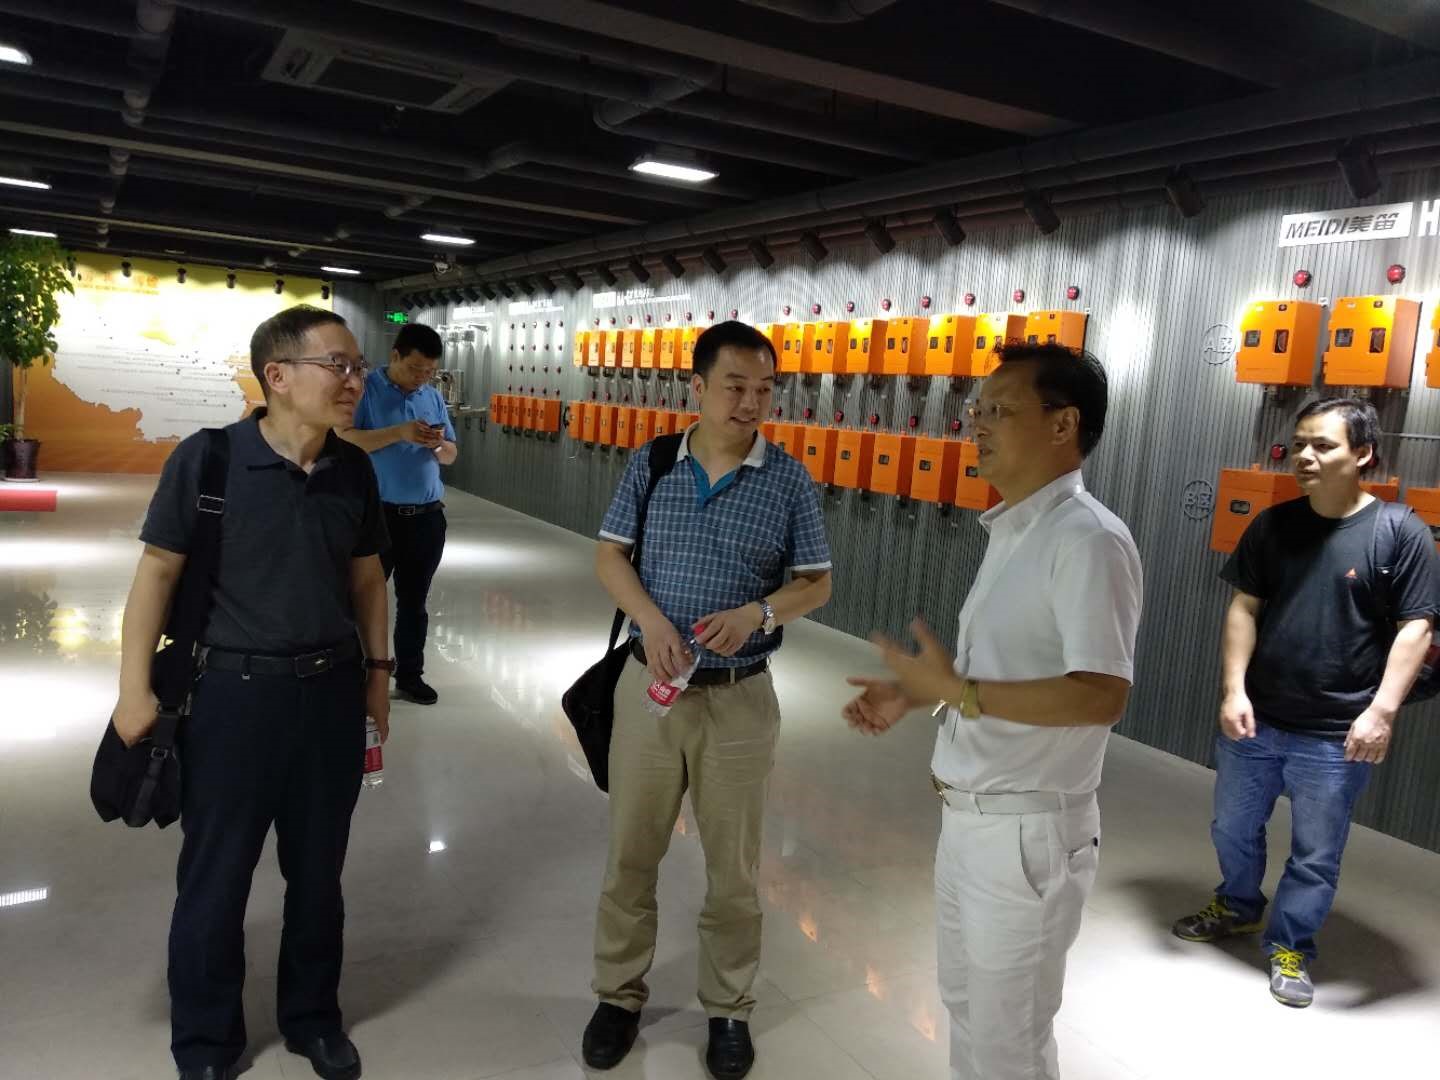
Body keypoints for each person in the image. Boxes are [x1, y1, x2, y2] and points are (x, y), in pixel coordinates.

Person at [844, 342, 1142, 1080]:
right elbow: (1004, 675)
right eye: (976, 409)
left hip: (1025, 835)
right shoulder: (1018, 531)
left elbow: (1101, 694)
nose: (974, 424)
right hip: (972, 821)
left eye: (999, 410)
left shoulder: (1088, 540)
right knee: (967, 1010)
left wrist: (959, 692)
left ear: (1063, 424)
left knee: (1009, 1040)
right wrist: (920, 693)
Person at [113, 305, 393, 1080]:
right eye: (338, 365)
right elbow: (156, 575)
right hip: (230, 699)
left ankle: (313, 1018)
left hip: (329, 696)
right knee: (216, 876)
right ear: (279, 375)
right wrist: (133, 690)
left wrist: (378, 679)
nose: (354, 381)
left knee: (319, 874)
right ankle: (206, 1041)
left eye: (359, 367)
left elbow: (369, 581)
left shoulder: (353, 469)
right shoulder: (208, 460)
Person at [582, 321, 833, 1080]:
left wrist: (760, 613)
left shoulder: (788, 480)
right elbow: (610, 556)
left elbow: (816, 584)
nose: (750, 402)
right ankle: (618, 995)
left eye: (764, 389)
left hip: (738, 698)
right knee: (631, 855)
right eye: (735, 386)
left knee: (734, 868)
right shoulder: (653, 462)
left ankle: (729, 1007)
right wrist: (651, 621)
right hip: (650, 690)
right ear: (697, 387)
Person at [1172, 397, 1439, 1007]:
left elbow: (1417, 628)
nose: (1304, 456)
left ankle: (1290, 945)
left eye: (1323, 445)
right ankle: (1239, 904)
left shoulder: (1400, 531)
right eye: (1298, 445)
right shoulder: (1273, 526)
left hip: (1336, 731)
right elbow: (1244, 608)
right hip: (1257, 718)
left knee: (1316, 852)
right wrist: (1234, 689)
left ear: (1363, 454)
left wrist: (1381, 712)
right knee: (1232, 827)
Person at [337, 322, 457, 705]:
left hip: (426, 518)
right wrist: (399, 433)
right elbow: (344, 439)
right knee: (361, 600)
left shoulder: (432, 397)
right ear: (395, 356)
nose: (422, 377)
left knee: (414, 602)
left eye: (429, 371)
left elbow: (451, 454)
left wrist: (436, 444)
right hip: (376, 517)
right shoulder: (364, 390)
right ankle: (354, 674)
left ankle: (410, 675)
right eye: (415, 368)